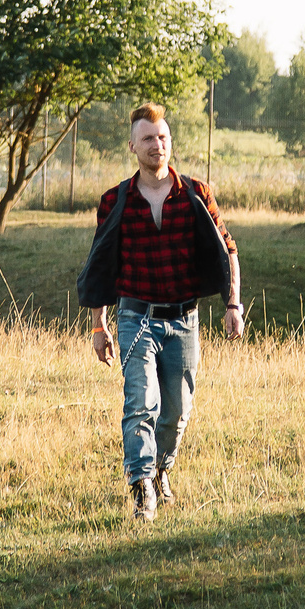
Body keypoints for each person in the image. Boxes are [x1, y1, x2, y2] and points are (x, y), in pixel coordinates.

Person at [75, 102, 244, 521]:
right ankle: (142, 487)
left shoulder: (196, 194)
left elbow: (229, 250)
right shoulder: (115, 200)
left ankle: (161, 469)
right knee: (140, 404)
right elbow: (101, 264)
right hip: (135, 318)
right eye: (148, 138)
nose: (158, 144)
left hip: (184, 320)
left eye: (163, 137)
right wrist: (99, 325)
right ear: (133, 145)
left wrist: (233, 303)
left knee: (176, 412)